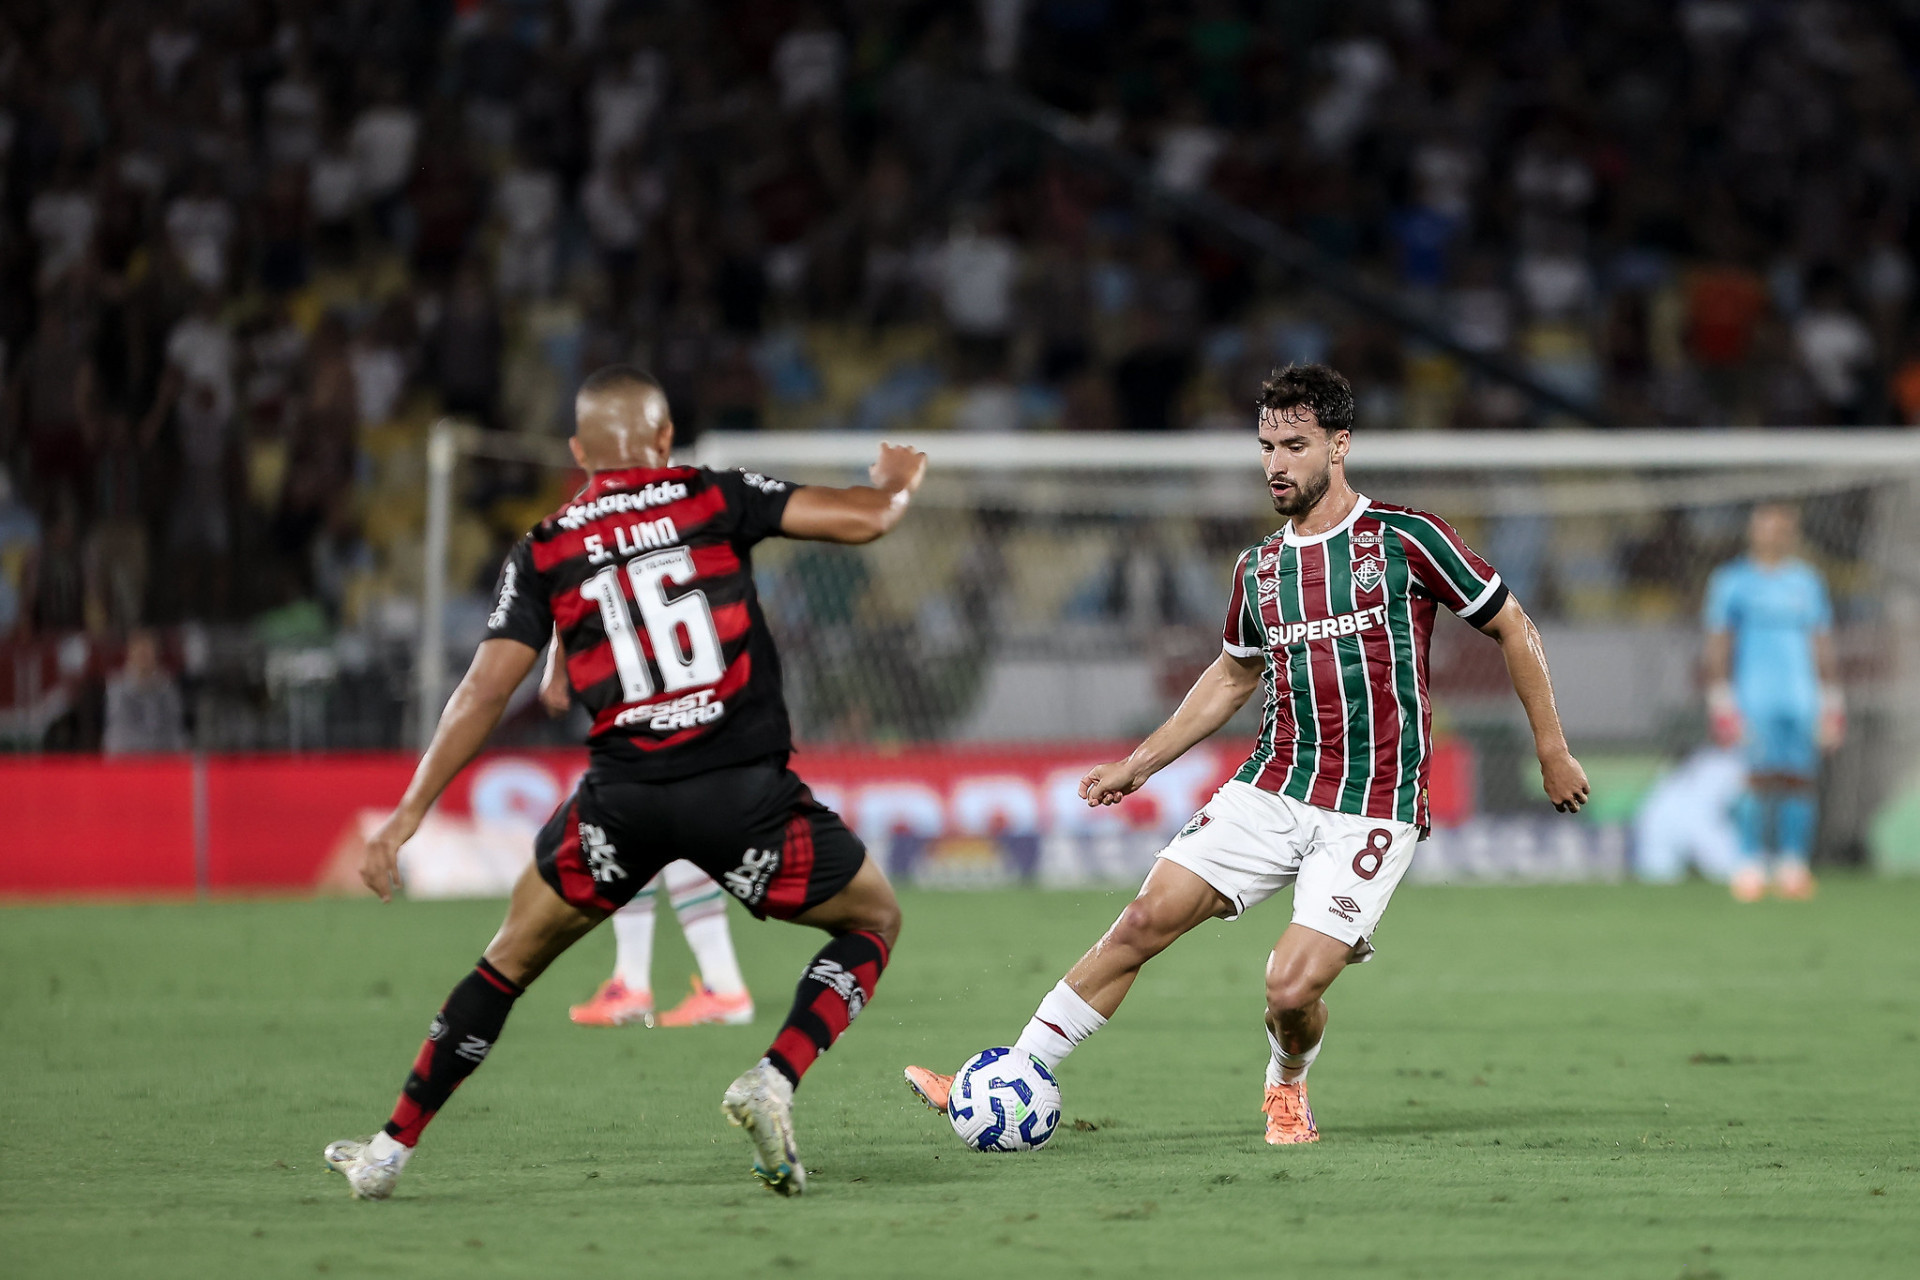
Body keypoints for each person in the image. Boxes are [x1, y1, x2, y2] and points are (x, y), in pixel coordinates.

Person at [903, 363, 1589, 1145]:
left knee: (1290, 991)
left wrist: (1552, 750)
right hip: (1273, 783)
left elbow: (1512, 625)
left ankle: (1286, 1083)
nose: (1275, 465)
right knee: (1141, 921)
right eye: (1267, 447)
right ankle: (1011, 1072)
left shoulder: (1405, 538)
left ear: (1339, 445)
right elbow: (1232, 676)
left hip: (1373, 805)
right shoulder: (1259, 568)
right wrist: (1139, 764)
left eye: (1295, 446)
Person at [324, 365, 926, 1200]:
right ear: (666, 438)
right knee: (874, 919)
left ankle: (388, 1152)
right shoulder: (711, 497)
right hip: (740, 795)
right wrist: (895, 483)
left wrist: (405, 815)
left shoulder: (546, 546)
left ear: (579, 452)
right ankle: (774, 1076)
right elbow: (867, 521)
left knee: (506, 961)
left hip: (623, 803)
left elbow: (484, 691)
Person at [535, 634, 754, 1028]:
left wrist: (556, 664)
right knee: (660, 820)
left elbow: (569, 596)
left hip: (651, 676)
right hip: (678, 671)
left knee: (638, 816)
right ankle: (701, 983)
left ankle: (676, 985)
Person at [1703, 503, 1842, 902]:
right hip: (1754, 696)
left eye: (1781, 529)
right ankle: (1749, 864)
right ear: (1753, 532)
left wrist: (1832, 699)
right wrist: (1720, 698)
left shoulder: (1807, 582)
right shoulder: (1732, 582)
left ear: (1791, 534)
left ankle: (1793, 865)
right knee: (1756, 777)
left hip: (1801, 696)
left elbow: (1821, 641)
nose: (1773, 535)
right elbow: (1719, 641)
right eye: (1766, 527)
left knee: (1798, 778)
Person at [102, 630, 187, 755]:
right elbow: (119, 729)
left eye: (147, 651)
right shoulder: (117, 687)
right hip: (128, 755)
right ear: (129, 653)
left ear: (156, 653)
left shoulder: (167, 687)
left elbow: (175, 728)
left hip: (162, 755)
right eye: (139, 651)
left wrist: (178, 756)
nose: (143, 656)